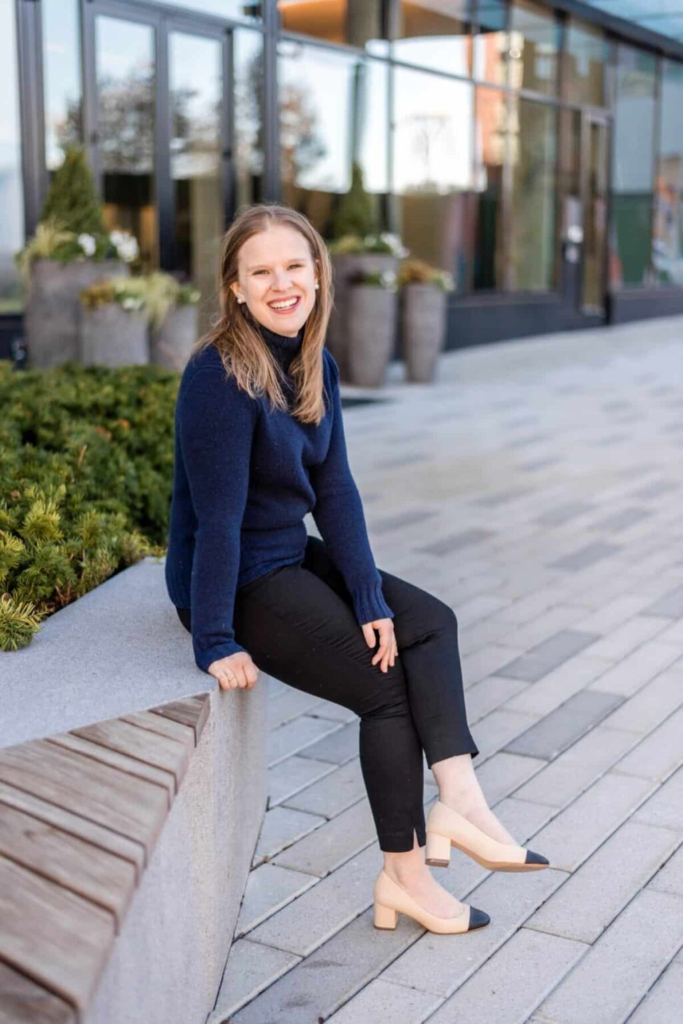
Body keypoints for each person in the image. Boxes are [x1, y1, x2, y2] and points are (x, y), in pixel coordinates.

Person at [165, 203, 549, 937]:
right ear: (235, 289)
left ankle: (459, 800)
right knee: (386, 689)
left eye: (293, 266)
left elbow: (334, 487)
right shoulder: (218, 376)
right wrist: (213, 637)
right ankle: (404, 877)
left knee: (428, 624)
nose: (281, 284)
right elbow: (214, 522)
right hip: (235, 579)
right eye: (260, 271)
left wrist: (369, 596)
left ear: (316, 273)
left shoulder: (315, 363)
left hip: (284, 553)